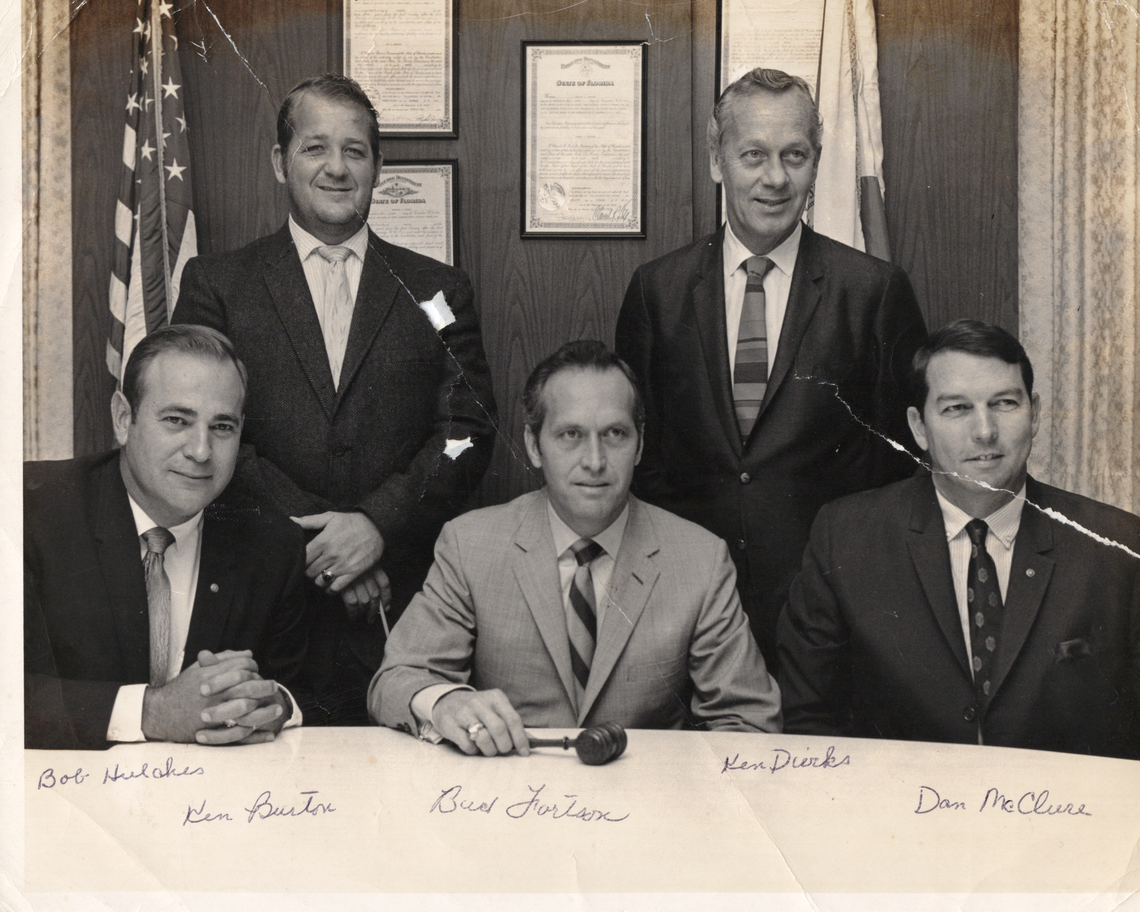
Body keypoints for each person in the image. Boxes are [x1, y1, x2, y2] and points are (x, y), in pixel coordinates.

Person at [173, 75, 497, 724]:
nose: (337, 167)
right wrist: (326, 541)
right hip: (260, 597)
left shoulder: (437, 291)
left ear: (378, 167)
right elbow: (200, 432)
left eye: (355, 150)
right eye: (316, 147)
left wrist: (376, 525)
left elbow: (466, 429)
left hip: (400, 605)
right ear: (279, 162)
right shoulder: (218, 285)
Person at [615, 68, 927, 672]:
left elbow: (901, 466)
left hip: (832, 612)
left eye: (795, 155)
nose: (776, 178)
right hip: (686, 608)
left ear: (816, 163)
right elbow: (641, 458)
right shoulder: (657, 289)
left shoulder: (873, 291)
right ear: (717, 161)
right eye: (753, 155)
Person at [370, 341, 781, 755]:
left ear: (639, 445)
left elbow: (750, 721)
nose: (595, 460)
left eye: (615, 434)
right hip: (507, 804)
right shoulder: (470, 544)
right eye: (571, 435)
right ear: (534, 445)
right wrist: (446, 702)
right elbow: (394, 681)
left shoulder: (701, 560)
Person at [777, 319, 1140, 759]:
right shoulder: (846, 538)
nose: (984, 431)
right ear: (918, 428)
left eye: (1004, 403)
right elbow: (811, 722)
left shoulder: (1117, 547)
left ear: (1036, 414)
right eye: (956, 408)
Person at [25, 325, 308, 751]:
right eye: (177, 420)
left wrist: (274, 705)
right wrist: (151, 711)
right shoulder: (30, 513)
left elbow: (316, 692)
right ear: (124, 419)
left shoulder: (273, 544)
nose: (200, 451)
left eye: (223, 427)